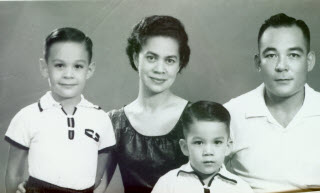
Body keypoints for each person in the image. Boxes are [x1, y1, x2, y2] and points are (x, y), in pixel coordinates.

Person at [5, 27, 116, 193]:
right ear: (44, 67)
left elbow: (100, 177)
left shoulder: (100, 119)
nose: (68, 74)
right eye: (59, 65)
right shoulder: (27, 116)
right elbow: (13, 174)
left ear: (89, 70)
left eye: (78, 66)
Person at [224, 13, 320, 193]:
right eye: (271, 55)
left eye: (293, 55)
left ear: (309, 61)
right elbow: (202, 177)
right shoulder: (231, 114)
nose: (281, 66)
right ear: (258, 62)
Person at [104, 15, 191, 193]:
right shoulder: (114, 122)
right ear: (136, 58)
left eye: (170, 60)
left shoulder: (196, 116)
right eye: (151, 57)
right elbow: (97, 186)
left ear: (179, 64)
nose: (160, 69)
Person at [151, 101, 254, 193]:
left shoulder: (240, 188)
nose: (208, 152)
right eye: (199, 143)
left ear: (228, 146)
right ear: (185, 147)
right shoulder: (168, 184)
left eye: (217, 142)